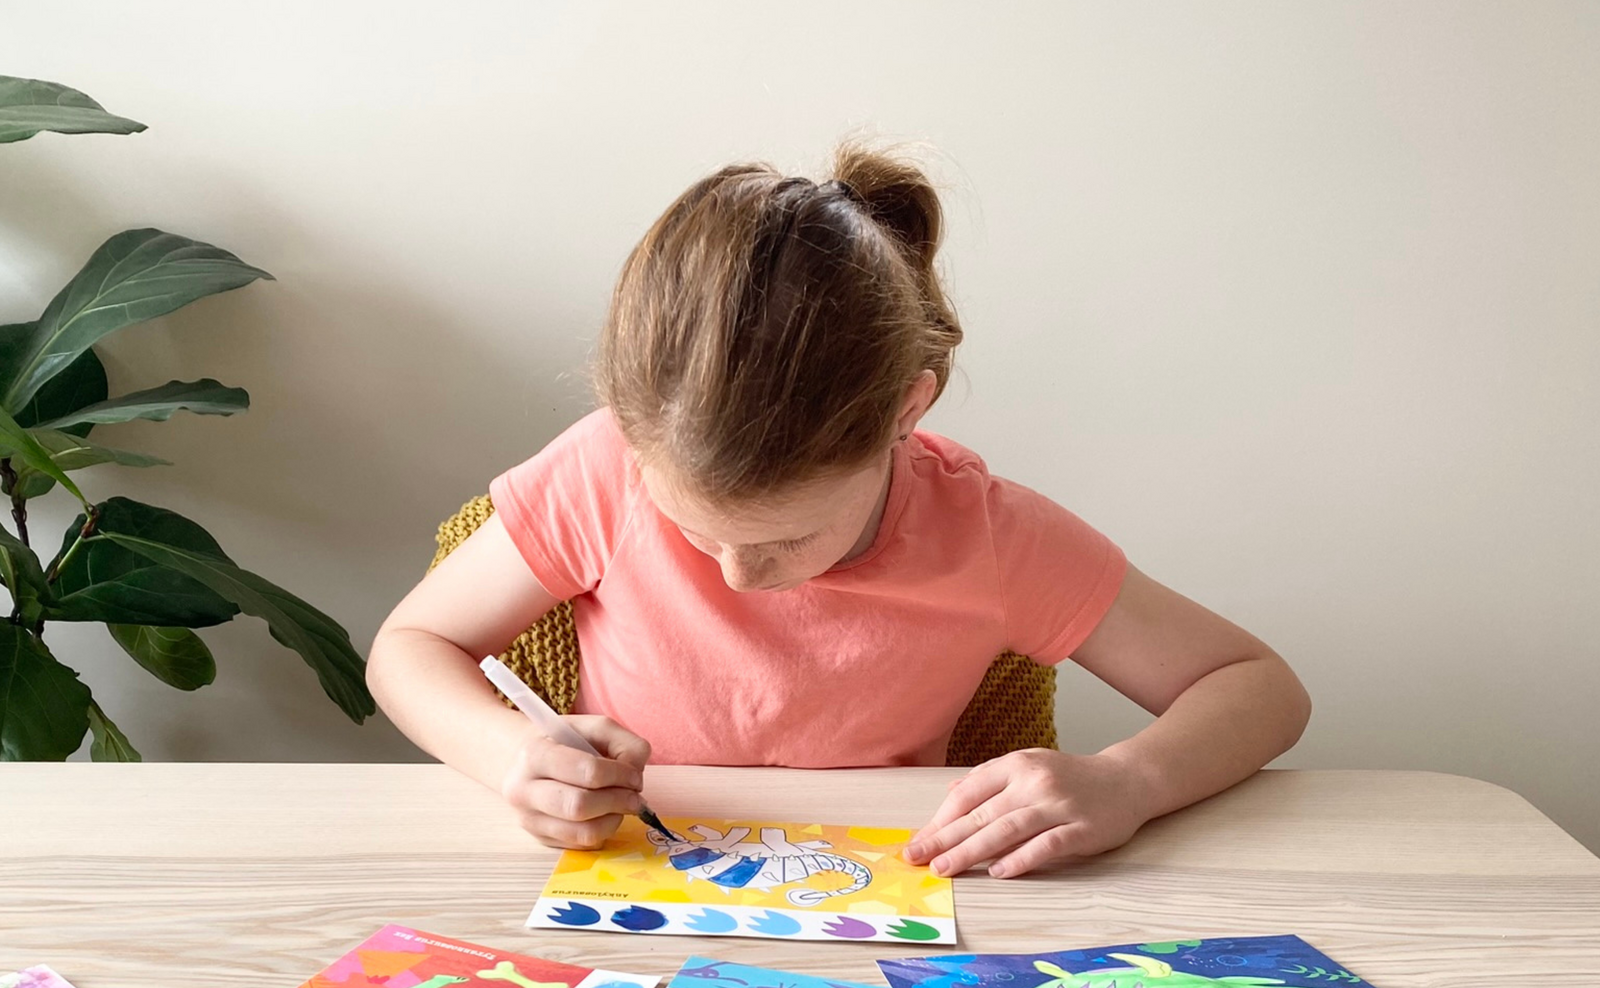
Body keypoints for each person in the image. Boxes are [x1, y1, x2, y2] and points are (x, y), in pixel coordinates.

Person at [367, 144, 1310, 879]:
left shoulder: (986, 537)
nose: (739, 576)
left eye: (787, 537)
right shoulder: (603, 469)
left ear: (906, 411)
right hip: (634, 882)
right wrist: (512, 756)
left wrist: (1128, 780)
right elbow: (409, 648)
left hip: (884, 898)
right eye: (695, 531)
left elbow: (1257, 685)